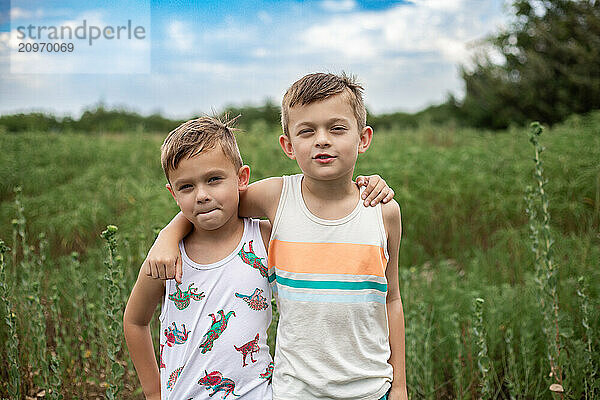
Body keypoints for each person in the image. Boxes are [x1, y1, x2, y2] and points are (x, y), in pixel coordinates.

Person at [146, 72, 407, 400]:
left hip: (372, 390)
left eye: (337, 128)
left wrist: (399, 387)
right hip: (294, 392)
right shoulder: (276, 197)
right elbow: (212, 203)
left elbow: (392, 298)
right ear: (288, 145)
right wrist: (168, 235)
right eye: (307, 131)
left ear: (363, 139)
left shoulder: (383, 212)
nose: (322, 140)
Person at [123, 117, 276, 399]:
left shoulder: (264, 239)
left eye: (214, 179)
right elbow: (135, 320)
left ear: (242, 178)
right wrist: (153, 392)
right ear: (173, 194)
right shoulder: (166, 257)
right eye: (186, 187)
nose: (202, 195)